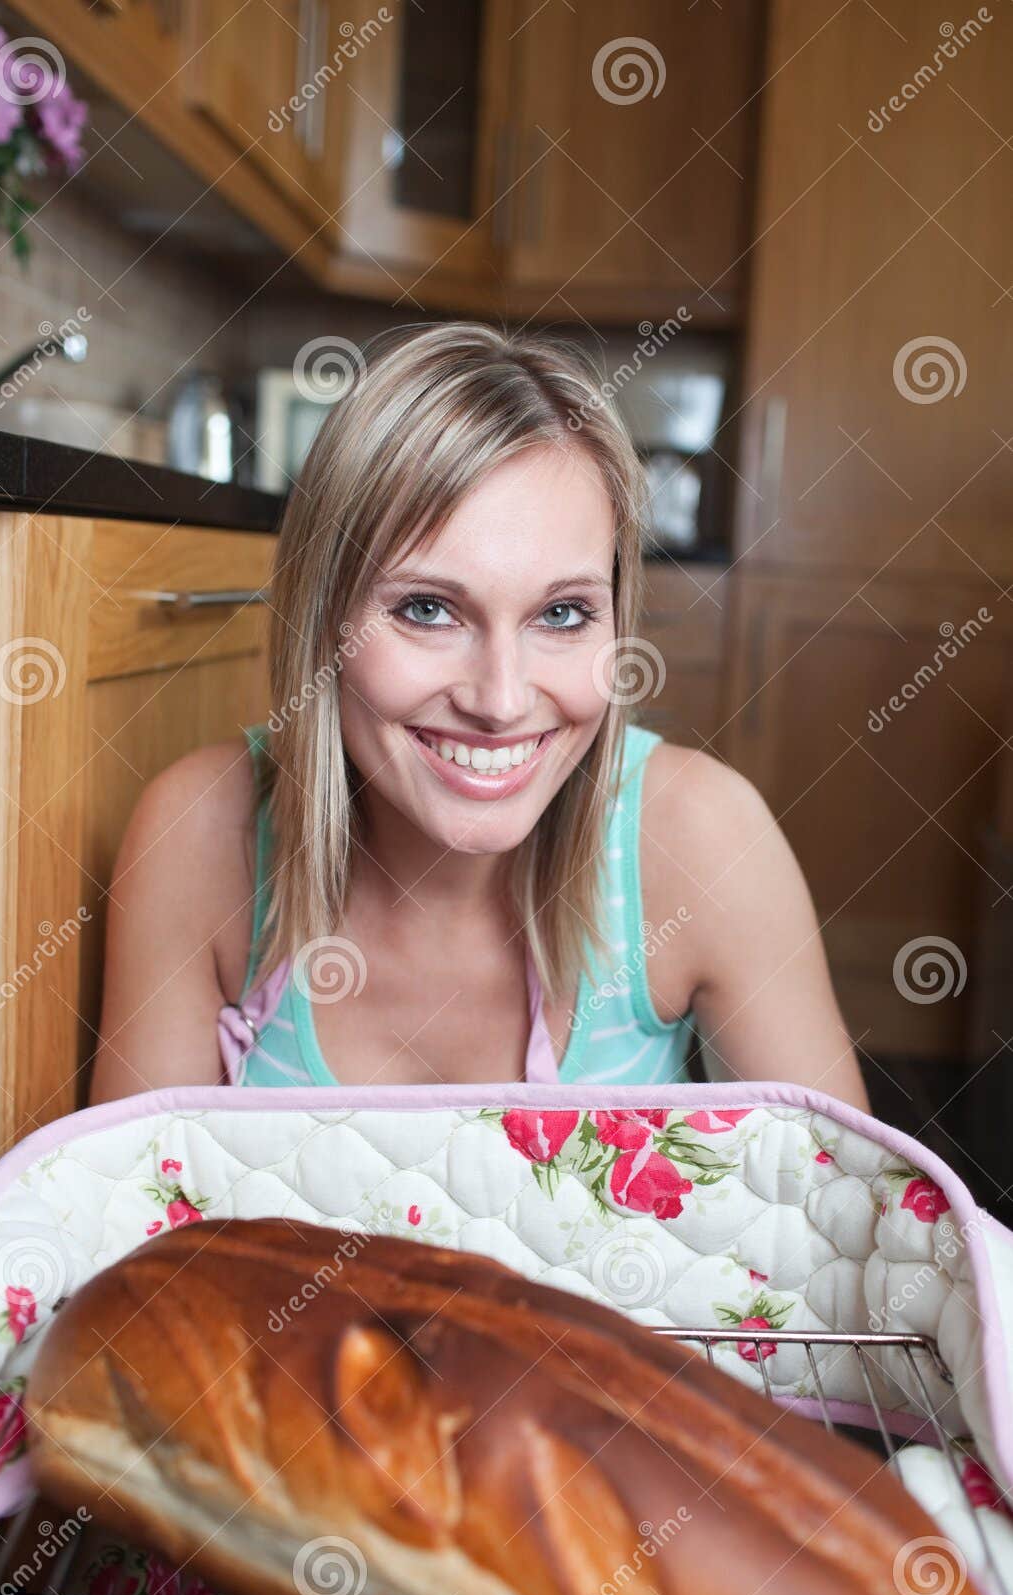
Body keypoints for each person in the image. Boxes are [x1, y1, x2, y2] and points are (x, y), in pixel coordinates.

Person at [88, 322, 869, 1111]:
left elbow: (832, 1211)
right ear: (319, 620)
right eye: (427, 609)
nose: (499, 701)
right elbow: (132, 1218)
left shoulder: (704, 837)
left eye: (561, 614)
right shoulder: (200, 833)